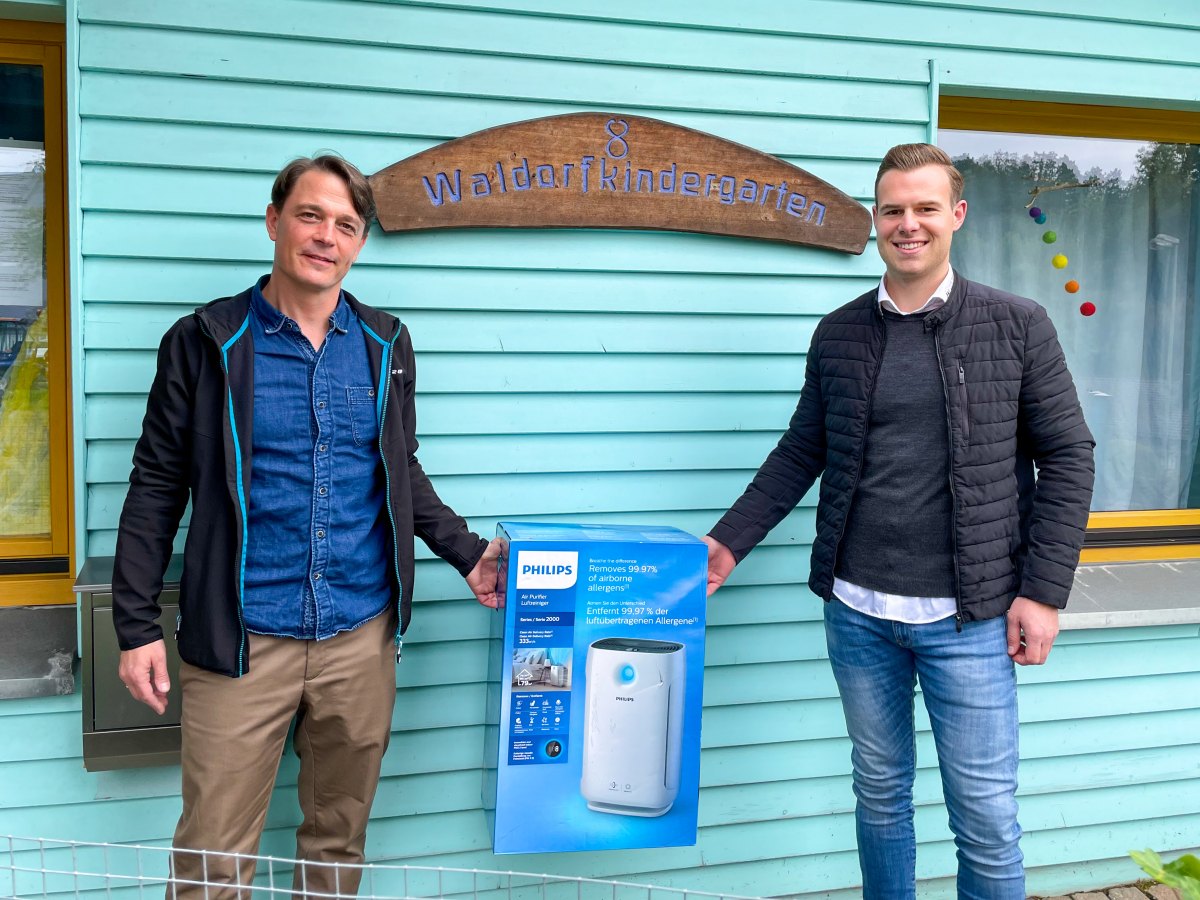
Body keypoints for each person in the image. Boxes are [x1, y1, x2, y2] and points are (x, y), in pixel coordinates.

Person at [703, 143, 1095, 899]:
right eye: (892, 210)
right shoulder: (840, 333)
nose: (908, 224)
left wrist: (1043, 592)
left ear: (956, 215)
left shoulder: (1017, 325)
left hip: (973, 618)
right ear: (875, 220)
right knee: (879, 796)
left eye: (924, 208)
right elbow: (802, 450)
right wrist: (729, 542)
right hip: (858, 613)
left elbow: (1069, 456)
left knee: (983, 813)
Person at [111, 154, 500, 898]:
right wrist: (134, 626)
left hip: (359, 635)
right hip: (241, 638)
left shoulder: (385, 344)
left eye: (346, 225)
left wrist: (470, 554)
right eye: (311, 216)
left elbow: (399, 470)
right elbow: (157, 486)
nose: (327, 236)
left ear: (359, 244)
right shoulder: (205, 342)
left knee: (335, 845)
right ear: (274, 221)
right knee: (210, 861)